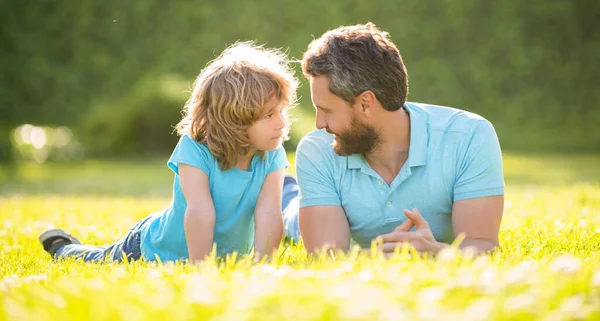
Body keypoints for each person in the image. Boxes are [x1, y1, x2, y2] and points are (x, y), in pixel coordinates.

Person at [39, 42, 299, 263]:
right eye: (268, 114)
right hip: (155, 248)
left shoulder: (271, 154)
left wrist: (260, 267)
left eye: (282, 111)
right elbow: (200, 211)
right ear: (235, 118)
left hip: (223, 255)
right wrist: (202, 270)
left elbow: (269, 212)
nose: (282, 123)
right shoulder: (196, 149)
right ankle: (63, 247)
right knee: (99, 259)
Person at [294, 22, 505, 256]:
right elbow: (326, 258)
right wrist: (389, 256)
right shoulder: (317, 149)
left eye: (326, 110)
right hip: (303, 212)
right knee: (291, 217)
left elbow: (484, 246)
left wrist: (437, 252)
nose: (319, 124)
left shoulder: (469, 136)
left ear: (366, 103)